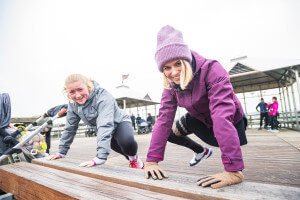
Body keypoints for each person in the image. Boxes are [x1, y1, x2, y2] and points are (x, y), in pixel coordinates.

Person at [144, 25, 247, 189]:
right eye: (167, 67)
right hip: (198, 119)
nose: (173, 72)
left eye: (178, 63)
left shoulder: (212, 70)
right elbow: (163, 120)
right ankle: (201, 151)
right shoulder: (171, 86)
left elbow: (221, 115)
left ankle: (232, 164)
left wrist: (233, 170)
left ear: (186, 60)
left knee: (220, 120)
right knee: (169, 132)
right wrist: (151, 161)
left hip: (230, 121)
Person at [47, 74, 144, 169]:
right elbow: (70, 128)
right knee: (121, 149)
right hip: (102, 129)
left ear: (88, 86)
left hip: (119, 122)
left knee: (127, 143)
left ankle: (136, 161)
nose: (77, 95)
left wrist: (100, 157)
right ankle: (133, 159)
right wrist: (61, 152)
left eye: (80, 89)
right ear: (67, 92)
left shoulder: (103, 96)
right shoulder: (73, 105)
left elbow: (104, 124)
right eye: (72, 92)